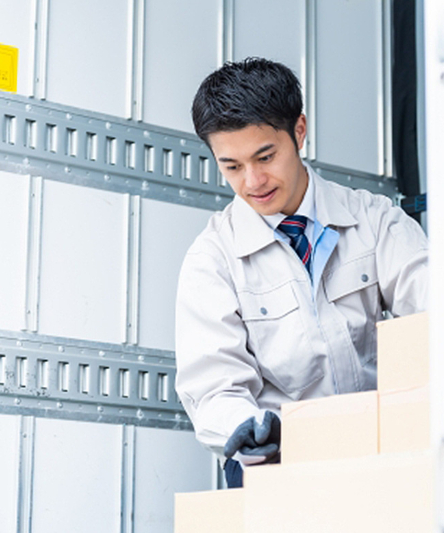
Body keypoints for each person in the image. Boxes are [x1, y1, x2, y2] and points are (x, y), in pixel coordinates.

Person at [175, 58, 428, 488]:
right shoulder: (212, 259)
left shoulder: (374, 221)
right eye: (231, 166)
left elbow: (437, 312)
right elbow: (214, 388)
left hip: (381, 441)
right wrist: (251, 427)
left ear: (299, 131)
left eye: (265, 156)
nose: (253, 181)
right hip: (279, 458)